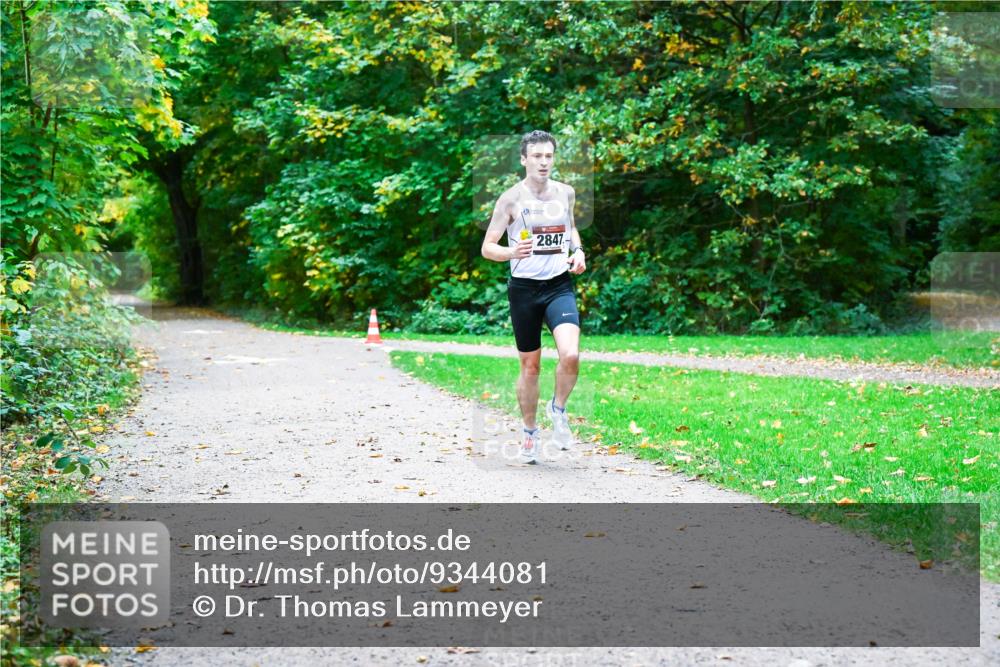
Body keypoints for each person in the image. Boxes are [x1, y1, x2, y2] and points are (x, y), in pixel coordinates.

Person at [480, 130, 586, 464]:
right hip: (524, 290)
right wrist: (512, 252)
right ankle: (529, 433)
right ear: (524, 159)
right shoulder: (510, 199)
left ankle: (558, 410)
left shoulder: (565, 193)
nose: (543, 162)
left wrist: (578, 251)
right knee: (531, 367)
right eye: (537, 156)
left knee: (570, 354)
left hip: (558, 285)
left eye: (548, 156)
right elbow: (487, 247)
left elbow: (570, 228)